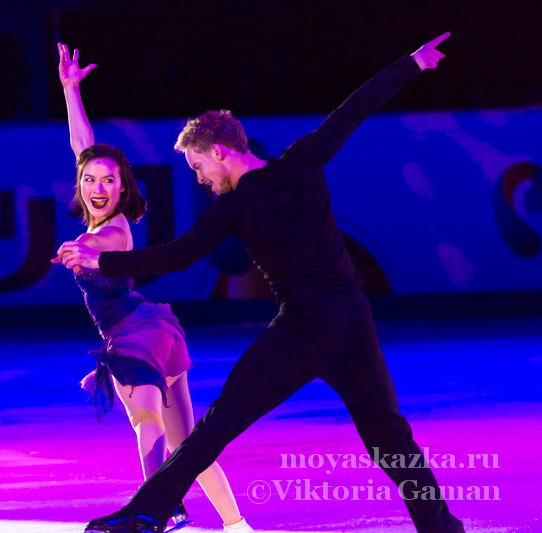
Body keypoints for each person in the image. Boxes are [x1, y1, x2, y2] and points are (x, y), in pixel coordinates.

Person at [56, 33, 466, 533]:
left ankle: (143, 514)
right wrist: (413, 64)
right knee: (390, 439)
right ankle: (444, 529)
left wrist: (103, 265)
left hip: (303, 328)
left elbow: (180, 256)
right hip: (352, 319)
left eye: (199, 166)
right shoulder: (302, 161)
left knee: (218, 424)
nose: (201, 178)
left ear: (221, 151)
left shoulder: (233, 205)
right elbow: (353, 110)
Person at [53, 43, 254, 533]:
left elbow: (105, 243)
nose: (98, 186)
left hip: (132, 332)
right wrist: (70, 90)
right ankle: (237, 524)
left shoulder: (113, 229)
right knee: (189, 446)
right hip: (157, 327)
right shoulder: (98, 198)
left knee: (144, 418)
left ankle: (161, 510)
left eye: (109, 180)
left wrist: (85, 249)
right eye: (91, 179)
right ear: (81, 184)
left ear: (123, 189)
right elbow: (84, 147)